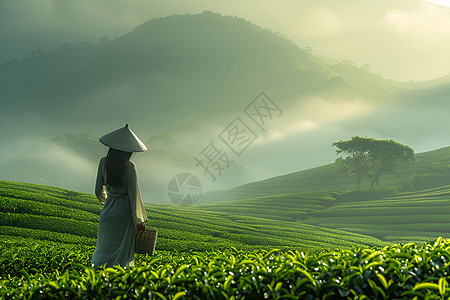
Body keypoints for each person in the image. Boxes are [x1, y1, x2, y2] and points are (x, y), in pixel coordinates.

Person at [91, 124, 148, 269]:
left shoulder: (103, 162)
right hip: (124, 213)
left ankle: (97, 272)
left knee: (104, 247)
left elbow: (98, 190)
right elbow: (134, 195)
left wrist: (108, 202)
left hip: (108, 211)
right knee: (120, 250)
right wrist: (139, 220)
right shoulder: (129, 167)